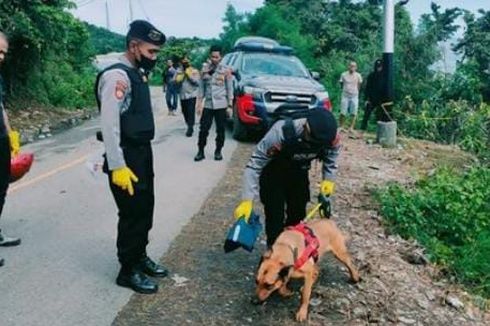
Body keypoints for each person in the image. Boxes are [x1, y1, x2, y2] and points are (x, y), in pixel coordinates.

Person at [95, 20, 168, 294]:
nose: (154, 58)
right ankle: (127, 270)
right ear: (134, 46)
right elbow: (110, 125)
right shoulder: (117, 77)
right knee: (131, 214)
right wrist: (117, 166)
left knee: (145, 208)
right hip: (124, 157)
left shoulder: (136, 72)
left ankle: (139, 256)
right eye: (151, 52)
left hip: (141, 153)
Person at [234, 107, 340, 247]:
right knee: (275, 218)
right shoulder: (281, 131)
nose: (313, 144)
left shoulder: (330, 137)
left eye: (318, 143)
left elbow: (331, 157)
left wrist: (328, 180)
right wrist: (247, 200)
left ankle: (292, 255)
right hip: (273, 173)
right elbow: (254, 165)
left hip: (299, 172)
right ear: (305, 126)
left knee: (298, 217)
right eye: (311, 139)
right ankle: (274, 255)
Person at [0, 32, 22, 268]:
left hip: (0, 139)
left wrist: (10, 134)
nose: (1, 56)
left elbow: (1, 106)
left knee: (1, 187)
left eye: (4, 52)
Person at [194, 45, 233, 162]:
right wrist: (199, 104)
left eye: (217, 57)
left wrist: (230, 105)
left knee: (220, 130)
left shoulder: (226, 70)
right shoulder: (204, 70)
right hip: (208, 105)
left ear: (221, 57)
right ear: (209, 56)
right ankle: (200, 151)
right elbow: (201, 88)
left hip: (221, 104)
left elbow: (230, 88)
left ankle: (218, 151)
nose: (214, 59)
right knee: (203, 129)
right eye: (212, 57)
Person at [174, 55, 200, 137]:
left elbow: (197, 82)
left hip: (191, 94)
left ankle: (190, 127)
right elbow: (174, 81)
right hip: (182, 95)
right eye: (183, 62)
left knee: (191, 111)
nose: (184, 63)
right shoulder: (178, 71)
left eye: (186, 62)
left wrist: (189, 75)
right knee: (185, 111)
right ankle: (188, 123)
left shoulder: (194, 70)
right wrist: (179, 77)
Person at [339, 61, 363, 131]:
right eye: (351, 66)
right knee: (343, 111)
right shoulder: (343, 74)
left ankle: (351, 127)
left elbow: (359, 85)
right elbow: (341, 83)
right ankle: (341, 126)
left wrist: (356, 91)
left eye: (354, 66)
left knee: (354, 112)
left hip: (354, 95)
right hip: (345, 95)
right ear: (348, 66)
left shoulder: (358, 75)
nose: (352, 67)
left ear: (356, 67)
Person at [361, 59, 384, 130]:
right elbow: (367, 88)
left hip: (381, 99)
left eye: (380, 66)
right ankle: (362, 129)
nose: (378, 68)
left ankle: (380, 130)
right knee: (366, 115)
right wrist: (366, 99)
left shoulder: (385, 76)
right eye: (377, 66)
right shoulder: (371, 75)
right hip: (371, 99)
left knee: (380, 116)